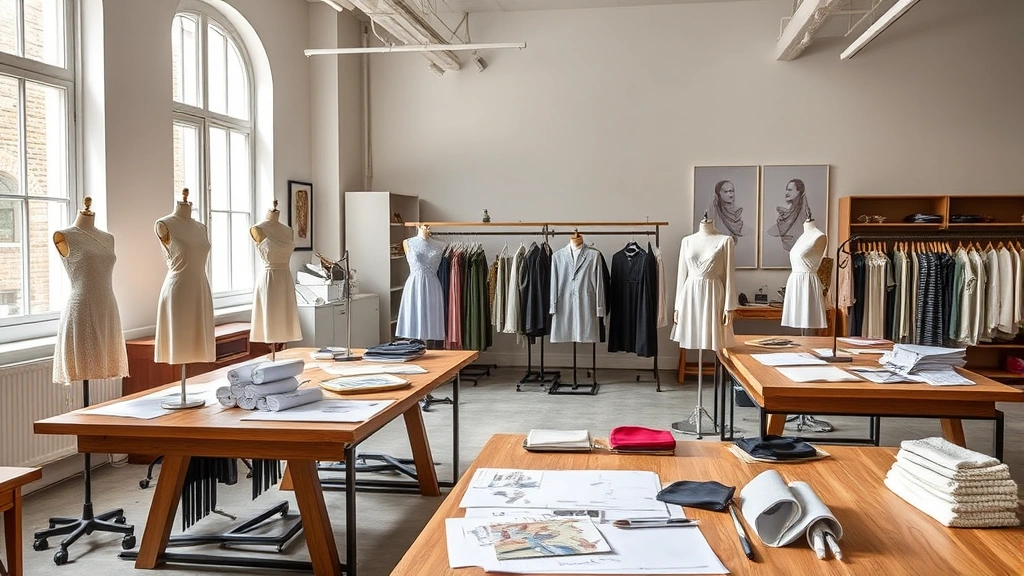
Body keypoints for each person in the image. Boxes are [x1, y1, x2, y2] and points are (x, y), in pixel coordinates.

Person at [767, 178, 810, 252]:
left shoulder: (802, 213)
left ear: (798, 191)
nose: (786, 192)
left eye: (790, 190)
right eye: (786, 190)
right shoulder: (789, 211)